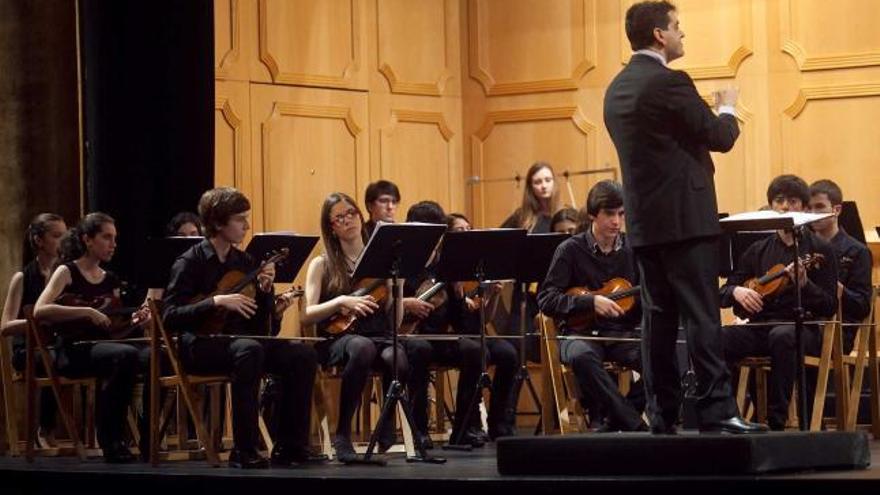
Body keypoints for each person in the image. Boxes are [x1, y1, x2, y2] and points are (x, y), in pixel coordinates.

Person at [603, 0, 765, 433]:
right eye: (678, 28)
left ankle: (662, 412)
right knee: (702, 315)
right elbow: (719, 137)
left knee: (657, 321)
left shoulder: (616, 88)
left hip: (645, 225)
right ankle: (717, 409)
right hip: (686, 221)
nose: (682, 35)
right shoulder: (670, 82)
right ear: (659, 35)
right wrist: (728, 107)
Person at [163, 187, 320, 469]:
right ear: (218, 222)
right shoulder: (189, 262)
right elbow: (170, 316)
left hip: (239, 343)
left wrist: (266, 290)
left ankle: (290, 445)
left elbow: (264, 328)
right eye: (239, 219)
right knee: (248, 350)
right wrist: (215, 301)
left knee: (301, 355)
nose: (246, 226)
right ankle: (244, 449)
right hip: (198, 345)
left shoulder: (245, 262)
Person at [300, 192, 412, 462]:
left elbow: (394, 324)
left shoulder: (383, 264)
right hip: (338, 340)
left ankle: (386, 423)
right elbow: (306, 315)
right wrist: (341, 301)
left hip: (378, 335)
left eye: (351, 213)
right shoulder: (323, 263)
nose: (348, 219)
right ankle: (342, 434)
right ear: (331, 227)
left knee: (399, 355)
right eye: (339, 217)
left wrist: (397, 291)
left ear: (361, 217)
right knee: (361, 347)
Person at [721, 175, 838, 430]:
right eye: (779, 200)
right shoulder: (756, 250)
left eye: (793, 201)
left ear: (805, 208)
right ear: (771, 205)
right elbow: (724, 293)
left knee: (782, 336)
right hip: (761, 326)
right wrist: (737, 291)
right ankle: (726, 414)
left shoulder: (821, 248)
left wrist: (805, 285)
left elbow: (829, 306)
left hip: (802, 328)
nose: (785, 207)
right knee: (719, 337)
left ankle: (776, 420)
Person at [33, 213, 145, 462]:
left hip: (103, 347)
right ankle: (111, 439)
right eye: (106, 237)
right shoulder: (67, 271)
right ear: (87, 239)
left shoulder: (111, 279)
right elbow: (40, 310)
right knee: (124, 355)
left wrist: (137, 320)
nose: (113, 244)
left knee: (144, 355)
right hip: (72, 350)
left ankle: (139, 440)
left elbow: (116, 326)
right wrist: (86, 311)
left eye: (115, 238)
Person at [538, 180, 646, 432]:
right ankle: (633, 423)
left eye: (621, 214)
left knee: (661, 356)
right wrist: (590, 301)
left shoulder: (634, 249)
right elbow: (546, 298)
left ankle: (618, 418)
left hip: (622, 335)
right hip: (580, 334)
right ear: (592, 215)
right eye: (609, 214)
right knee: (582, 357)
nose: (617, 222)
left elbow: (648, 296)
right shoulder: (570, 250)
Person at [445, 212, 520, 440]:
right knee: (479, 352)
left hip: (473, 333)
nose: (467, 234)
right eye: (460, 230)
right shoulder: (447, 265)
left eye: (469, 229)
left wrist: (491, 295)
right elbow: (454, 318)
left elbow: (482, 319)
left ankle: (498, 423)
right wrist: (458, 294)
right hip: (450, 335)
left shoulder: (476, 268)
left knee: (509, 353)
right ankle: (465, 426)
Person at [1, 213, 67, 447]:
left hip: (56, 343)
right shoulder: (23, 277)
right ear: (39, 240)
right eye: (57, 236)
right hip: (27, 349)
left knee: (72, 355)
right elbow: (5, 326)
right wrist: (39, 322)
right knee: (53, 359)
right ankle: (45, 428)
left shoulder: (64, 273)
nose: (63, 242)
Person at [808, 179, 873, 351]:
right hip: (806, 324)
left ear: (836, 210)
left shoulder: (858, 251)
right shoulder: (803, 248)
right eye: (809, 208)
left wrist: (839, 291)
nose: (813, 213)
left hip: (838, 331)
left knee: (785, 339)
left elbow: (863, 306)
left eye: (820, 207)